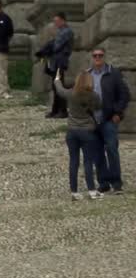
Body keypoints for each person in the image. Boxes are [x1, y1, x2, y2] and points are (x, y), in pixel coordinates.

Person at [54, 72, 103, 200]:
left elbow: (60, 90)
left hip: (72, 131)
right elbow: (98, 107)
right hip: (87, 131)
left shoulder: (71, 94)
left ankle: (74, 192)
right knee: (88, 161)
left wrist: (57, 79)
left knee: (73, 162)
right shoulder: (93, 96)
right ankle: (92, 190)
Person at [88, 49, 130, 194]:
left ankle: (117, 184)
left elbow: (124, 94)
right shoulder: (87, 75)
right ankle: (104, 183)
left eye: (100, 55)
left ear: (104, 57)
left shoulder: (114, 73)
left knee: (112, 150)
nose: (98, 57)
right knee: (97, 153)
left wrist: (118, 113)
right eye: (95, 55)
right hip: (92, 121)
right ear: (92, 58)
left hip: (109, 120)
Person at [35, 12, 74, 118]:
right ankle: (55, 110)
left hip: (60, 61)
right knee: (55, 85)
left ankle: (62, 111)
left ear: (63, 20)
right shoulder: (62, 32)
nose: (55, 23)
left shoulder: (66, 31)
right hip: (55, 61)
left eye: (56, 21)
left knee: (59, 85)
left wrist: (47, 48)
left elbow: (56, 46)